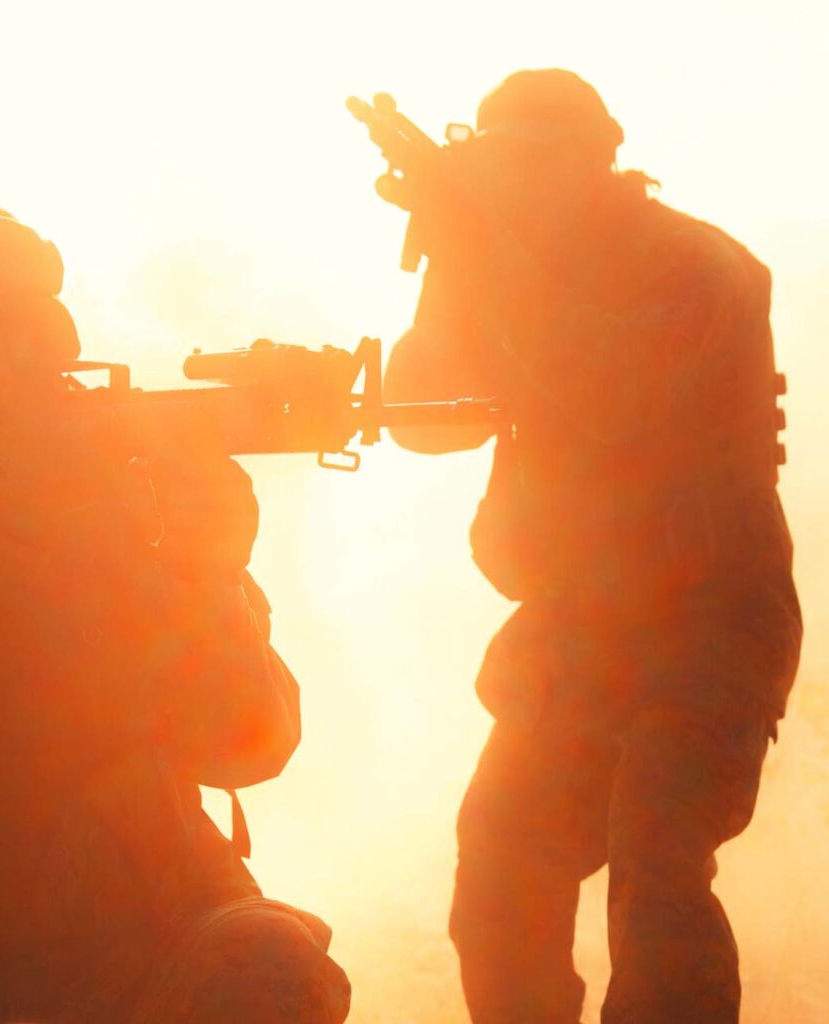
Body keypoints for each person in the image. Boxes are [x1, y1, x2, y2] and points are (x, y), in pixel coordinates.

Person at [0, 199, 351, 1023]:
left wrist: (208, 574)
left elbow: (248, 746)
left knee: (273, 969)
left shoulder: (118, 499)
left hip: (153, 934)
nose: (15, 373)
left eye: (19, 342)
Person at [381, 70, 802, 1023]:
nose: (521, 179)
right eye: (503, 161)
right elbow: (426, 420)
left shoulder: (698, 266)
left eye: (540, 158)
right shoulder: (515, 266)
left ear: (600, 159)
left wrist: (484, 245)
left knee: (657, 868)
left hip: (709, 624)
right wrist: (453, 255)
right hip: (578, 631)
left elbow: (608, 390)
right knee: (499, 870)